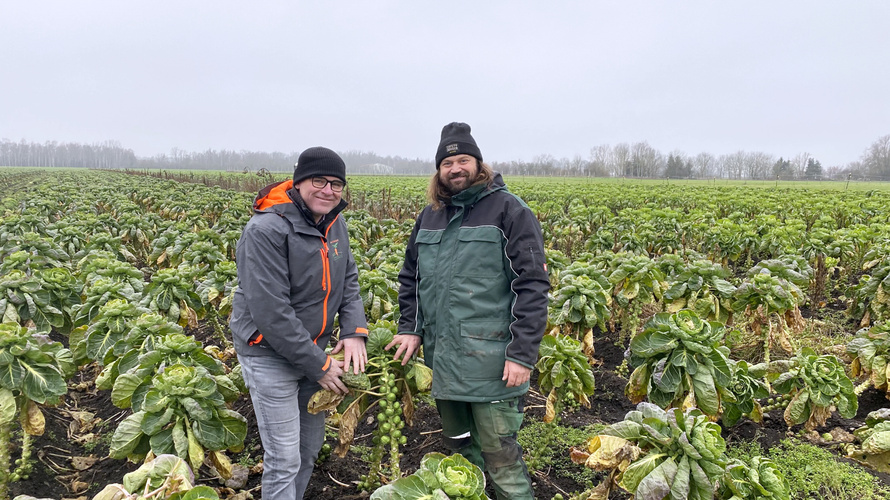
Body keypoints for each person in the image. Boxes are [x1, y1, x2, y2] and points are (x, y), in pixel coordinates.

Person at [386, 122, 550, 499]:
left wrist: (522, 354)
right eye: (448, 162)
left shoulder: (510, 210)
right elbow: (410, 276)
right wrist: (410, 327)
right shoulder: (430, 215)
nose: (456, 168)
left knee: (502, 461)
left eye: (463, 159)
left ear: (478, 163)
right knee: (460, 454)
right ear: (439, 170)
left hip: (493, 364)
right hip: (444, 362)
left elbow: (532, 285)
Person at [230, 146, 368, 500]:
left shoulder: (335, 224)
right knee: (284, 457)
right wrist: (319, 366)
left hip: (313, 350)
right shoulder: (265, 230)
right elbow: (270, 311)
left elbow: (348, 280)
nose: (328, 190)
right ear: (299, 181)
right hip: (269, 353)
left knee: (308, 450)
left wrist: (354, 331)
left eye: (336, 184)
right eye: (318, 181)